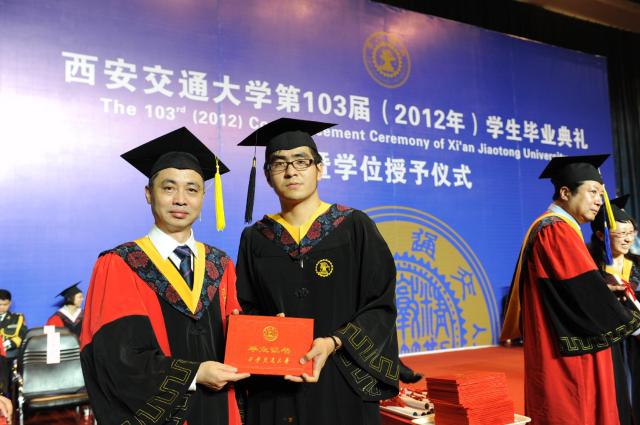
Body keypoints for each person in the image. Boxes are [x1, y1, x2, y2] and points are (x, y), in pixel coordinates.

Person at [80, 127, 249, 425]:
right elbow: (116, 360)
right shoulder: (121, 264)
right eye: (169, 188)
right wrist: (194, 374)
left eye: (192, 189)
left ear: (204, 196)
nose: (180, 200)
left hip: (218, 410)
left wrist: (268, 337)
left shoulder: (221, 265)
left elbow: (236, 339)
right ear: (149, 194)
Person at [235, 118, 400, 425]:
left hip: (342, 376)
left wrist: (334, 342)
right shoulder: (255, 238)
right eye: (279, 164)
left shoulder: (354, 227)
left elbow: (380, 303)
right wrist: (265, 330)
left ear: (319, 169)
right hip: (276, 383)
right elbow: (245, 304)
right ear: (268, 176)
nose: (291, 171)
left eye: (301, 161)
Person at [501, 154, 640, 425]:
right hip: (565, 351)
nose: (599, 201)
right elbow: (581, 291)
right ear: (565, 193)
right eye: (593, 192)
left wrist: (602, 285)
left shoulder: (561, 229)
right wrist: (631, 320)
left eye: (601, 193)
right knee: (572, 410)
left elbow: (573, 283)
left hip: (562, 339)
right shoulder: (556, 231)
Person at [590, 194, 640, 424]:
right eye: (621, 234)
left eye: (632, 232)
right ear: (601, 235)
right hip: (611, 342)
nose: (628, 239)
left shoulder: (637, 264)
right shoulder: (591, 268)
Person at [0, 290, 26, 359]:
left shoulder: (17, 318)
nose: (2, 307)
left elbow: (21, 336)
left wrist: (3, 346)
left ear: (10, 303)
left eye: (5, 304)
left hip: (9, 354)